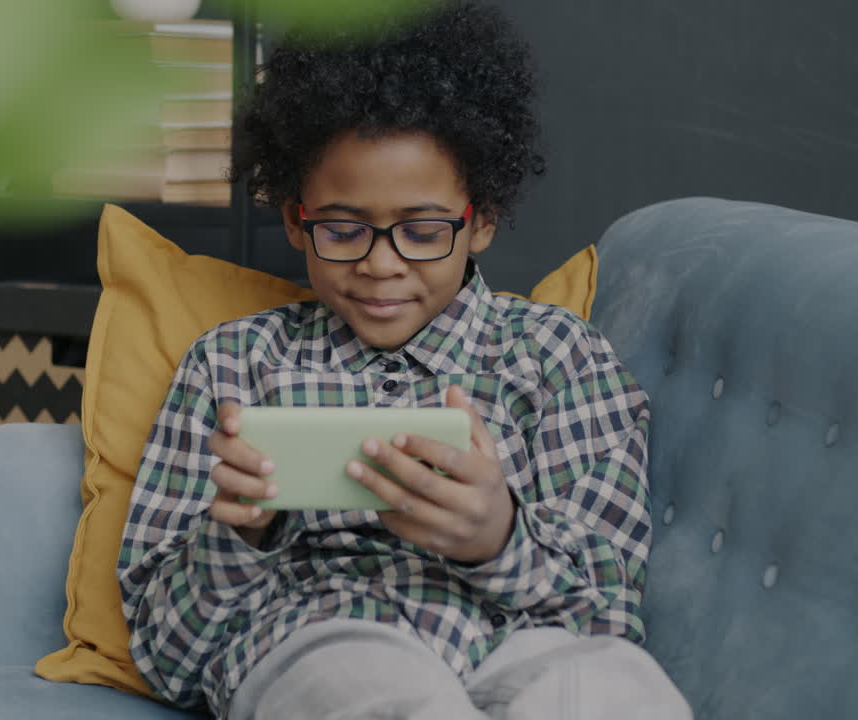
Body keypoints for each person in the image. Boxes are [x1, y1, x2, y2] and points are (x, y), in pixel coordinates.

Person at [119, 2, 691, 718]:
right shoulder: (231, 366)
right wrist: (239, 533)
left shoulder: (559, 358)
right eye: (343, 228)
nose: (382, 265)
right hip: (316, 640)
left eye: (421, 231)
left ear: (479, 218)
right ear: (298, 219)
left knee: (615, 690)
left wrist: (498, 538)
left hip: (520, 640)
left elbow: (608, 614)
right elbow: (166, 657)